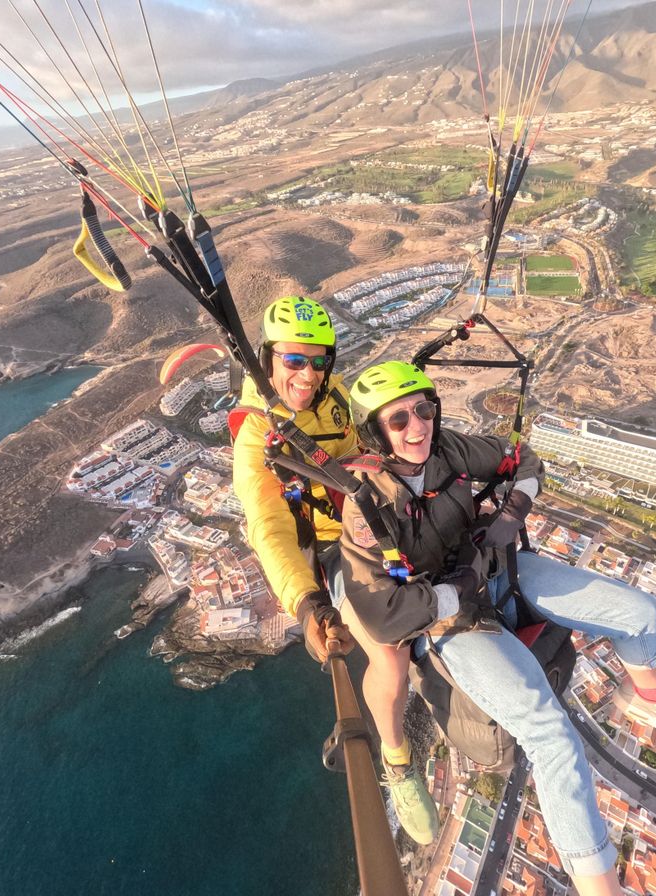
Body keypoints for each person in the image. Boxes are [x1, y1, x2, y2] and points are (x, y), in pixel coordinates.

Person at [339, 361, 656, 896]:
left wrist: (512, 513)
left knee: (641, 613)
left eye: (424, 409)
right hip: (450, 620)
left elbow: (524, 460)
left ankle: (647, 695)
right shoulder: (366, 507)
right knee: (552, 735)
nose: (418, 426)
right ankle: (599, 884)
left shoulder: (452, 450)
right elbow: (385, 614)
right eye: (399, 420)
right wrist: (455, 590)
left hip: (497, 568)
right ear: (375, 432)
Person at [230, 297, 438, 844]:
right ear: (268, 358)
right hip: (328, 552)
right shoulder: (257, 434)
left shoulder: (336, 397)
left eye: (319, 360)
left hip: (370, 524)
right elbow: (269, 526)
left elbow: (360, 446)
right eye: (294, 360)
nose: (308, 373)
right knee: (389, 657)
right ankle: (398, 764)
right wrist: (307, 604)